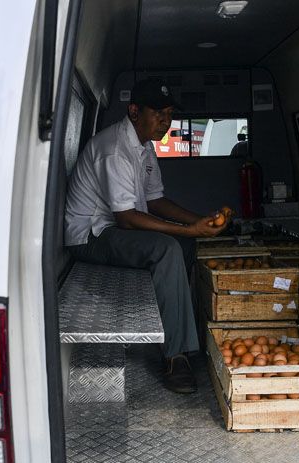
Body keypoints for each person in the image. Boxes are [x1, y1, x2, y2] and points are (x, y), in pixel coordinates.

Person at [64, 78, 226, 394]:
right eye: (158, 114)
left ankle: (180, 328)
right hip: (89, 237)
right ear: (134, 111)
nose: (165, 122)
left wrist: (199, 223)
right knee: (167, 248)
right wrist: (186, 229)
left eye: (168, 114)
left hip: (112, 230)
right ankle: (175, 356)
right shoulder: (114, 149)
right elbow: (125, 219)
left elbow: (155, 201)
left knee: (186, 244)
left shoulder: (144, 147)